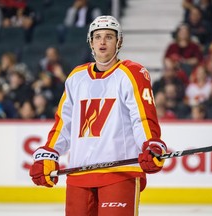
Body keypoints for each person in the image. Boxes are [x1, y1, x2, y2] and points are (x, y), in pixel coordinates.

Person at [29, 15, 167, 216]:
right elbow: (64, 123)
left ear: (119, 41)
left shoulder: (132, 73)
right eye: (98, 36)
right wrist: (50, 152)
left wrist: (151, 143)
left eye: (109, 37)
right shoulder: (76, 77)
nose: (102, 42)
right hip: (78, 175)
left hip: (119, 174)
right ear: (90, 41)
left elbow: (142, 118)